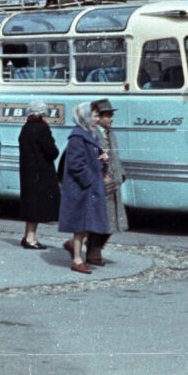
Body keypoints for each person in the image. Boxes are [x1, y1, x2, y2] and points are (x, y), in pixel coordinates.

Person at [58, 102, 109, 274]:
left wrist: (100, 159)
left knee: (86, 224)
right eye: (94, 116)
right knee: (81, 226)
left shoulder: (87, 134)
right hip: (81, 189)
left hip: (87, 187)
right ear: (85, 117)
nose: (96, 119)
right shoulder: (77, 137)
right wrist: (90, 180)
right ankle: (77, 260)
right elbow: (76, 164)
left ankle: (75, 250)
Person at [88, 98, 128, 266]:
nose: (111, 119)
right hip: (101, 185)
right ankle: (93, 254)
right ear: (99, 117)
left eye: (112, 115)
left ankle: (94, 249)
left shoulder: (111, 134)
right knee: (102, 220)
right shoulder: (93, 135)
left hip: (113, 183)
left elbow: (115, 158)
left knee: (112, 221)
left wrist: (122, 173)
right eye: (108, 115)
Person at [18, 100, 59, 249]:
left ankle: (27, 235)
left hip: (27, 173)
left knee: (30, 205)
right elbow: (52, 152)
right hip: (41, 174)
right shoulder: (42, 130)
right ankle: (30, 239)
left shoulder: (25, 128)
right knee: (37, 206)